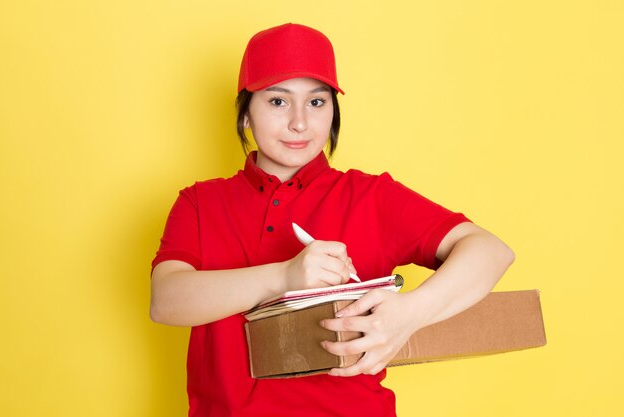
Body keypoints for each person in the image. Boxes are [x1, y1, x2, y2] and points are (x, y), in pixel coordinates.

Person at [150, 23, 514, 417]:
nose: (300, 123)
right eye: (278, 102)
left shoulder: (372, 197)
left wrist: (409, 315)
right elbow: (166, 301)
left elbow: (491, 251)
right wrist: (284, 277)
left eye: (317, 102)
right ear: (245, 114)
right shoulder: (200, 202)